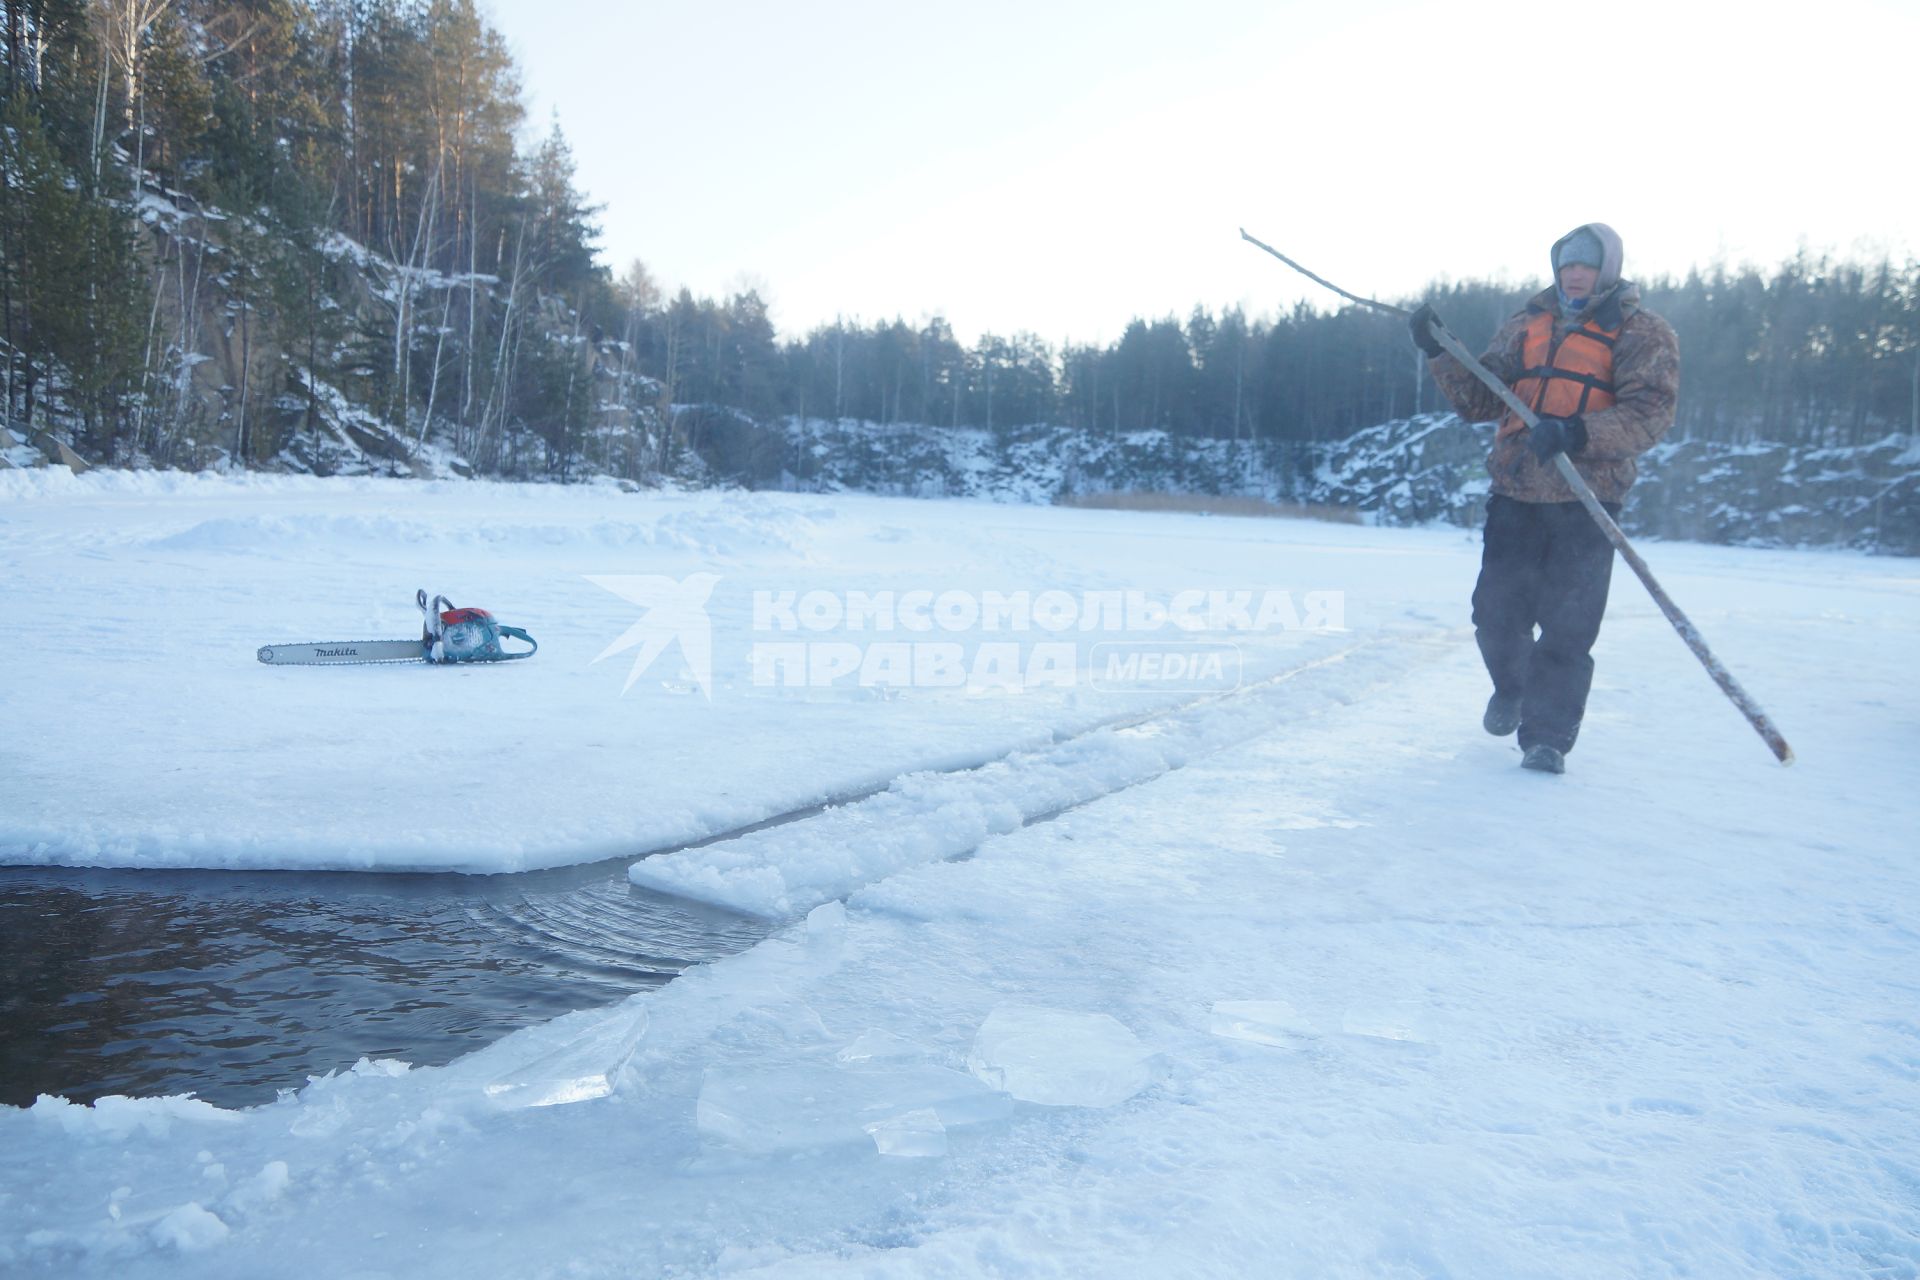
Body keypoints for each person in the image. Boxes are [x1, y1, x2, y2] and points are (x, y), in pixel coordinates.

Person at [1407, 223, 1679, 775]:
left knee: (1569, 626)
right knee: (1495, 617)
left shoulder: (1643, 332)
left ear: (1607, 269)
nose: (1574, 274)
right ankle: (1512, 686)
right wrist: (1439, 352)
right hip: (1516, 492)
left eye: (1586, 265)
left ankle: (1547, 738)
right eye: (1566, 265)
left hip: (1588, 502)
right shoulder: (1525, 325)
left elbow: (1650, 416)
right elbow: (1480, 401)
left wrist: (1578, 433)